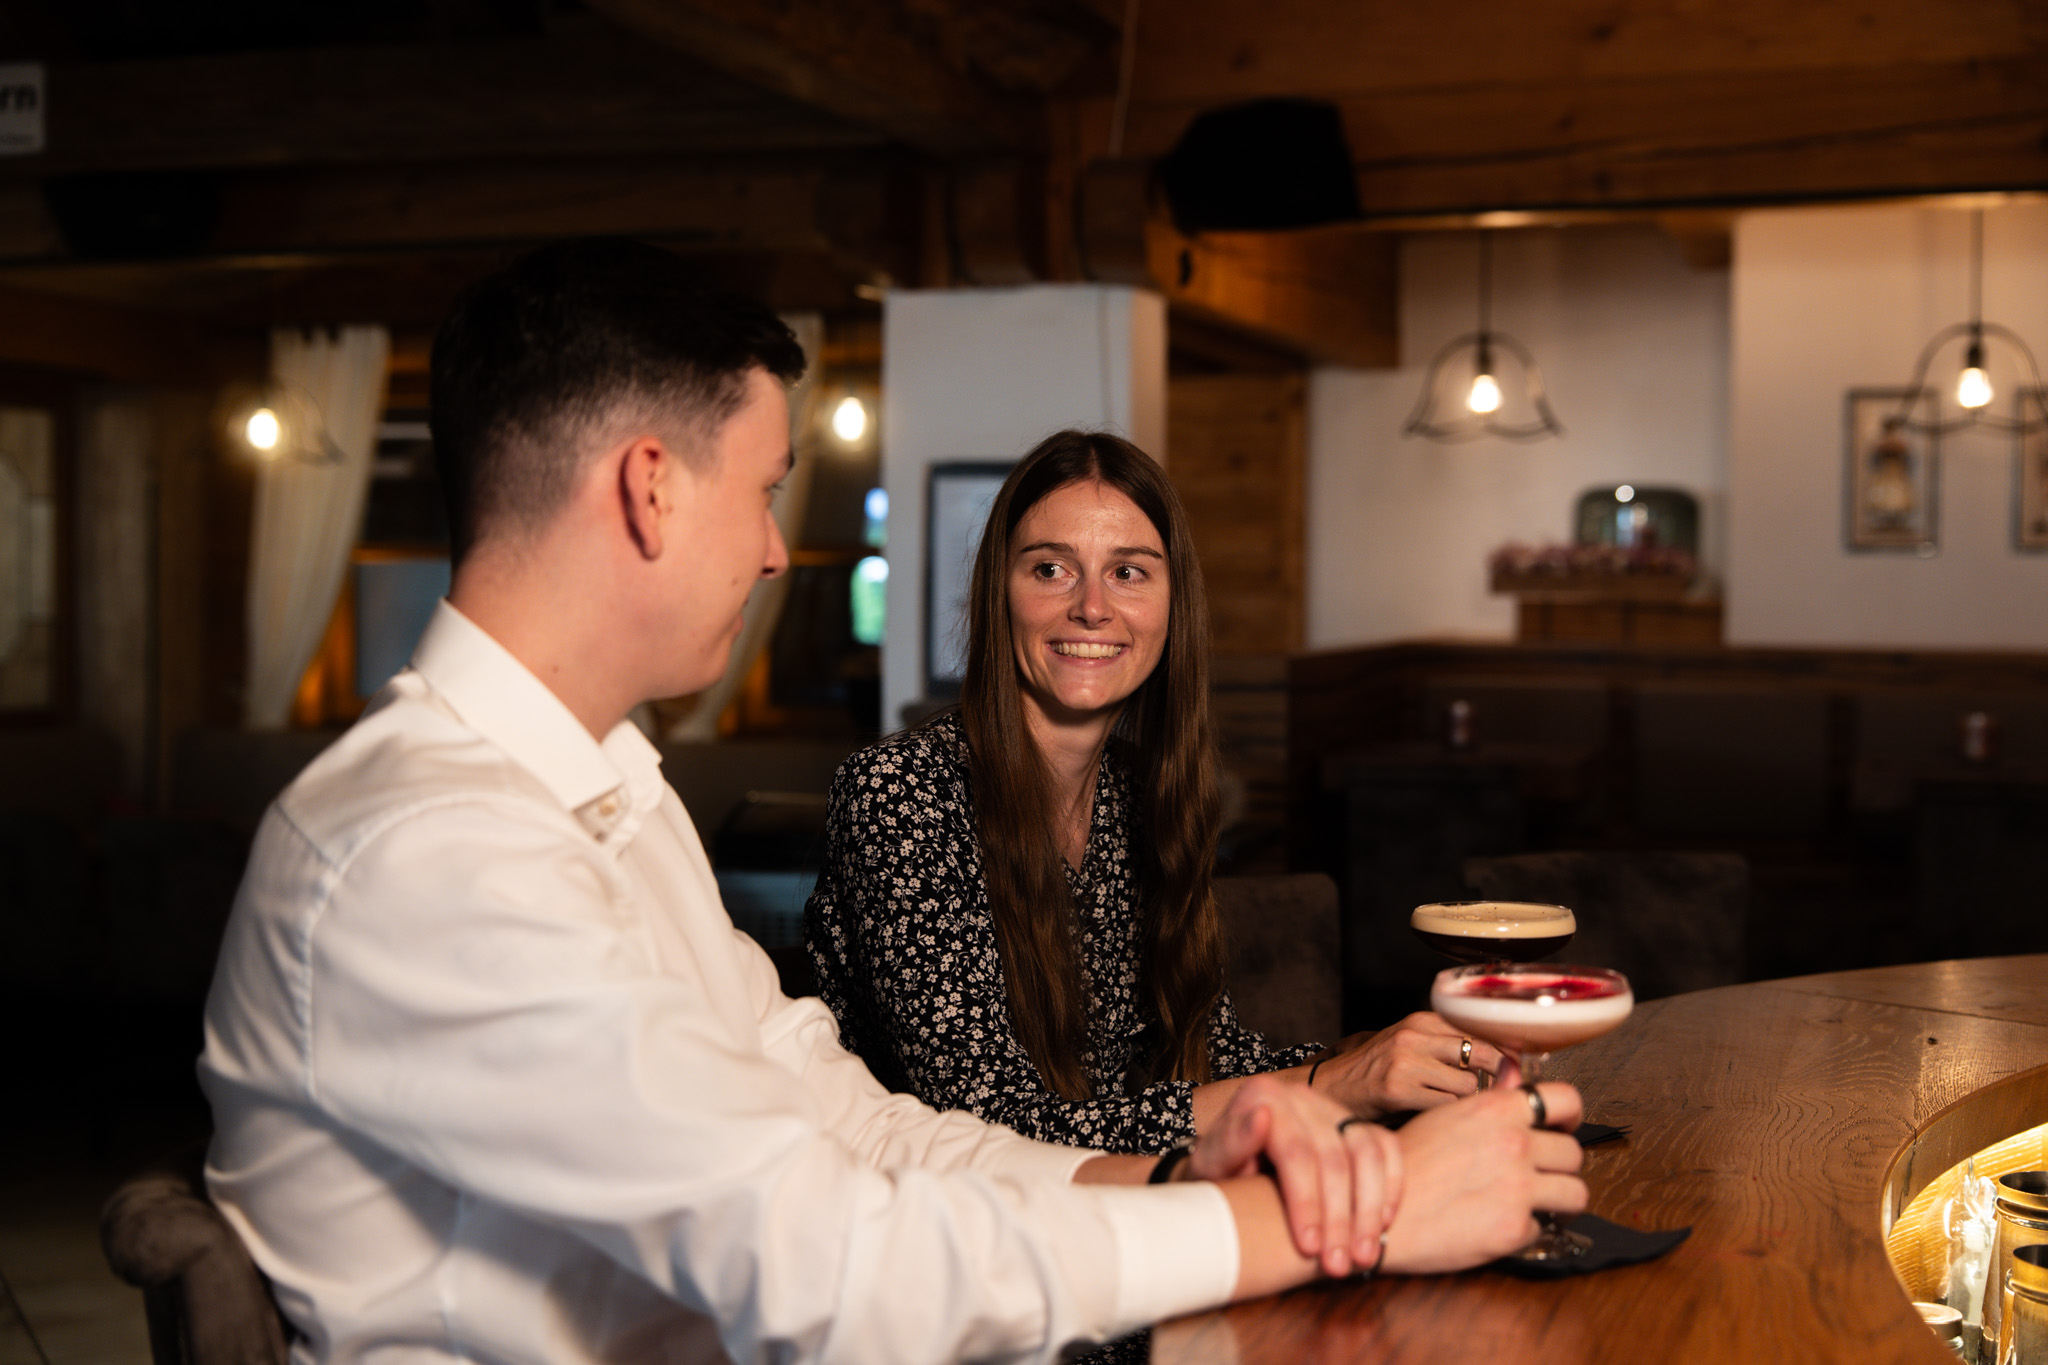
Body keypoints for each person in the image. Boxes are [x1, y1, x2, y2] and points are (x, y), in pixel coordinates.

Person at [198, 240, 1587, 1365]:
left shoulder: (610, 791)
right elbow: (830, 1265)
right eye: (764, 493)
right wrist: (1369, 1212)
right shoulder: (426, 851)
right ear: (648, 490)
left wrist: (1192, 1167)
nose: (770, 552)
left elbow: (855, 1128)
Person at [806, 431, 1498, 1157]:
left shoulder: (1139, 790)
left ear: (1172, 605)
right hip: (933, 1238)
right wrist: (1329, 1083)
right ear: (998, 594)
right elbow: (989, 1131)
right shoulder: (900, 793)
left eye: (1129, 573)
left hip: (1099, 1218)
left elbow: (1208, 1052)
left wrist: (1386, 1057)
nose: (1093, 608)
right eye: (1051, 569)